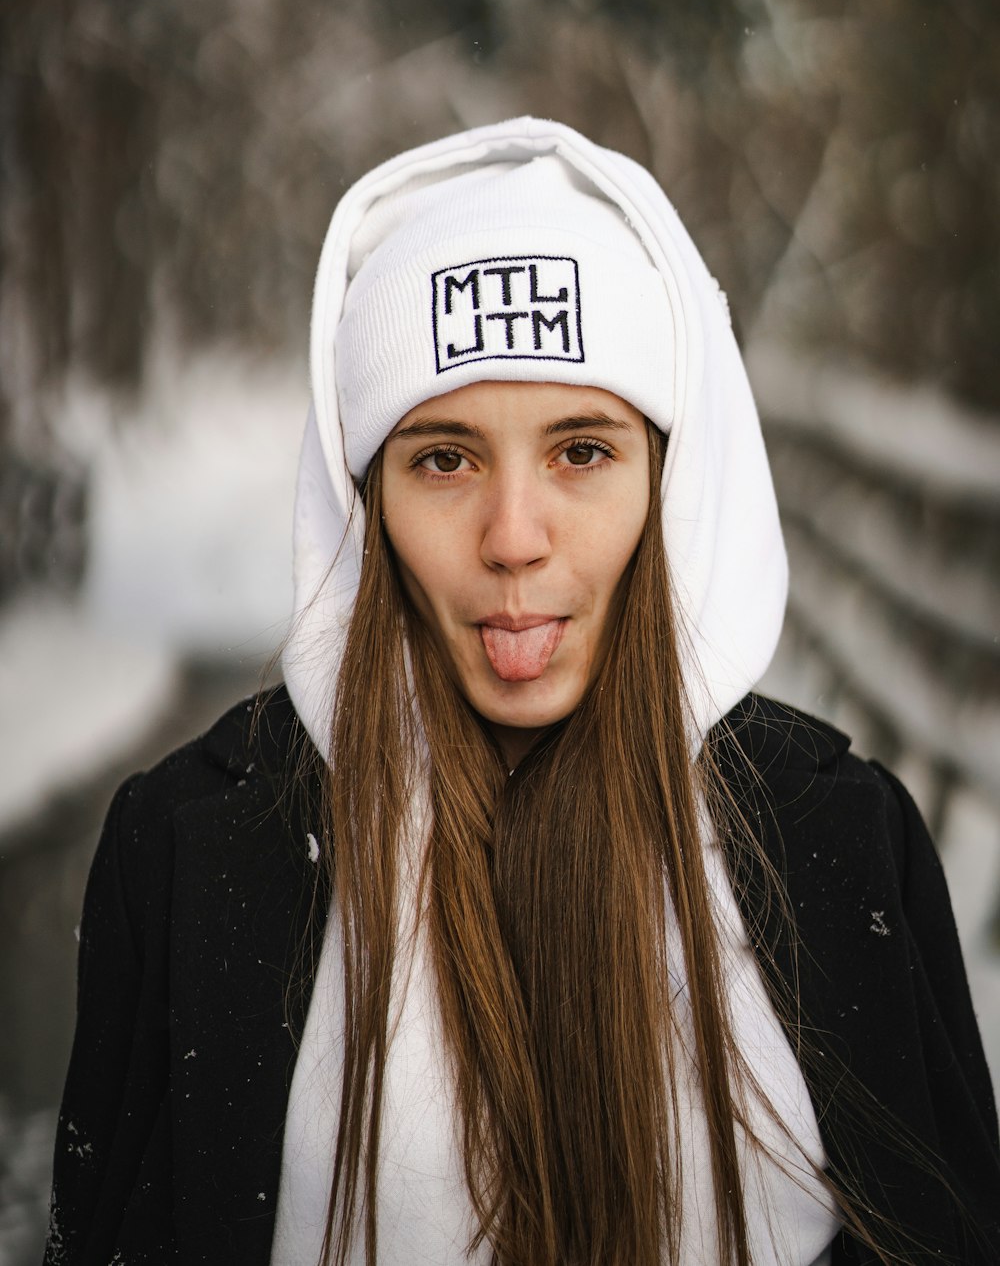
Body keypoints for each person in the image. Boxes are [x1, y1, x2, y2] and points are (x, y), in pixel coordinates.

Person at [45, 117, 999, 1266]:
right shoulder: (192, 853)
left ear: (668, 474)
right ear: (364, 499)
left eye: (580, 451)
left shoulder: (841, 841)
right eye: (443, 457)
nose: (512, 538)